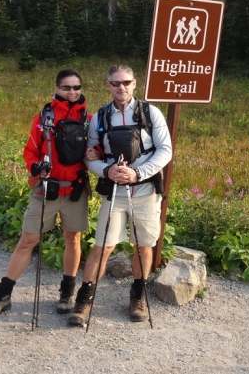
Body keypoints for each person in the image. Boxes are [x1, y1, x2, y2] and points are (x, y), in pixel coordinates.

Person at [68, 64, 173, 326]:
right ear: (108, 85)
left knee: (143, 245)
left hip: (146, 191)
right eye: (115, 83)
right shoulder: (100, 117)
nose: (121, 87)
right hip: (114, 193)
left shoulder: (151, 113)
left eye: (126, 82)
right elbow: (89, 157)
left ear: (135, 83)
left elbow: (165, 150)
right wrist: (107, 170)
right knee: (102, 246)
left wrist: (137, 174)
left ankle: (137, 294)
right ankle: (84, 300)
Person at [0, 69, 91, 318]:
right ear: (56, 89)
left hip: (75, 190)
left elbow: (95, 150)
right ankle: (3, 295)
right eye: (66, 88)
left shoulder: (89, 119)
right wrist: (35, 168)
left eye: (76, 87)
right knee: (28, 241)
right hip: (46, 189)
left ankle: (67, 293)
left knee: (72, 238)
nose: (72, 92)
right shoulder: (43, 118)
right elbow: (30, 150)